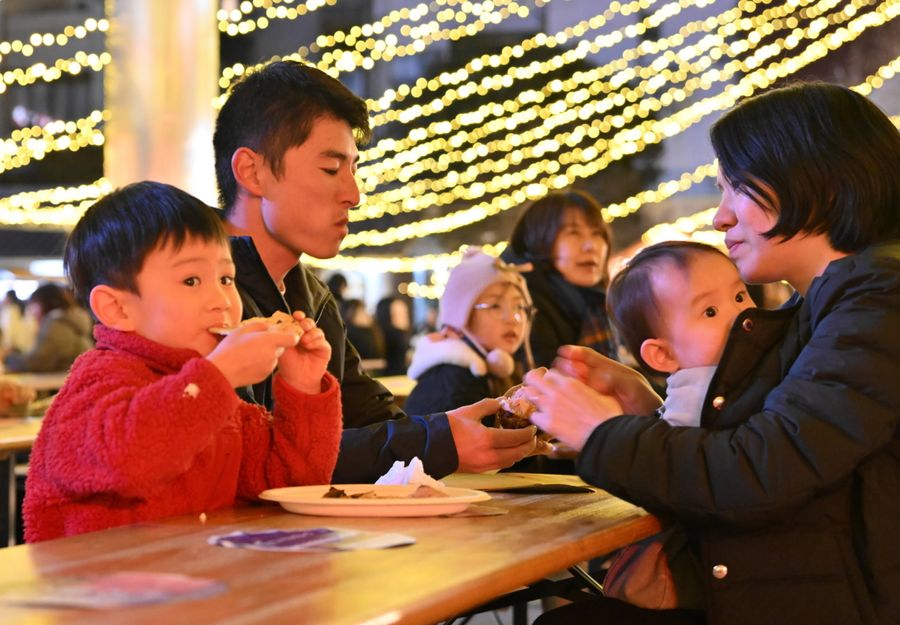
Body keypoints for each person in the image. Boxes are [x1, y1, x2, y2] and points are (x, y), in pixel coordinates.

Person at [524, 82, 900, 625]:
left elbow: (760, 471)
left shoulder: (879, 296)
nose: (721, 216)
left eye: (737, 188)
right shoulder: (836, 299)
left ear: (814, 180)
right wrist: (646, 406)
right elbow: (776, 443)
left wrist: (603, 433)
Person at [213, 59, 540, 483]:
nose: (354, 194)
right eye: (330, 169)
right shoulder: (191, 290)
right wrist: (436, 440)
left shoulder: (310, 295)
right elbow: (250, 457)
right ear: (251, 171)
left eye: (354, 168)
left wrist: (485, 426)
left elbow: (364, 416)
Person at [23, 181, 342, 542]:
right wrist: (218, 376)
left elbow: (291, 484)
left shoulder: (218, 400)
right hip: (93, 588)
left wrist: (302, 388)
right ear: (117, 308)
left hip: (196, 577)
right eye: (191, 280)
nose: (222, 300)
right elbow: (130, 461)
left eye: (226, 278)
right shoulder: (98, 379)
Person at [607, 241, 755, 427]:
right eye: (710, 311)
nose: (739, 314)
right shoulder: (692, 410)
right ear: (663, 354)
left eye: (739, 296)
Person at [405, 248, 535, 415]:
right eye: (495, 306)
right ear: (459, 316)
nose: (513, 318)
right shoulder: (451, 380)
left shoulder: (502, 367)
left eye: (519, 307)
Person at [502, 190, 618, 368]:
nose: (591, 246)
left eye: (597, 234)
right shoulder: (526, 309)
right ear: (539, 242)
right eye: (573, 233)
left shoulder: (602, 302)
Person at [2, 283, 93, 373]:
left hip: (57, 384)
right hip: (68, 380)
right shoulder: (70, 320)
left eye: (34, 305)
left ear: (43, 303)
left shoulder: (56, 322)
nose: (32, 312)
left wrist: (7, 357)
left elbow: (37, 363)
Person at [375, 295, 412, 375]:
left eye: (405, 313)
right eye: (400, 314)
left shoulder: (378, 333)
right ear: (387, 315)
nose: (405, 317)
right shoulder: (395, 335)